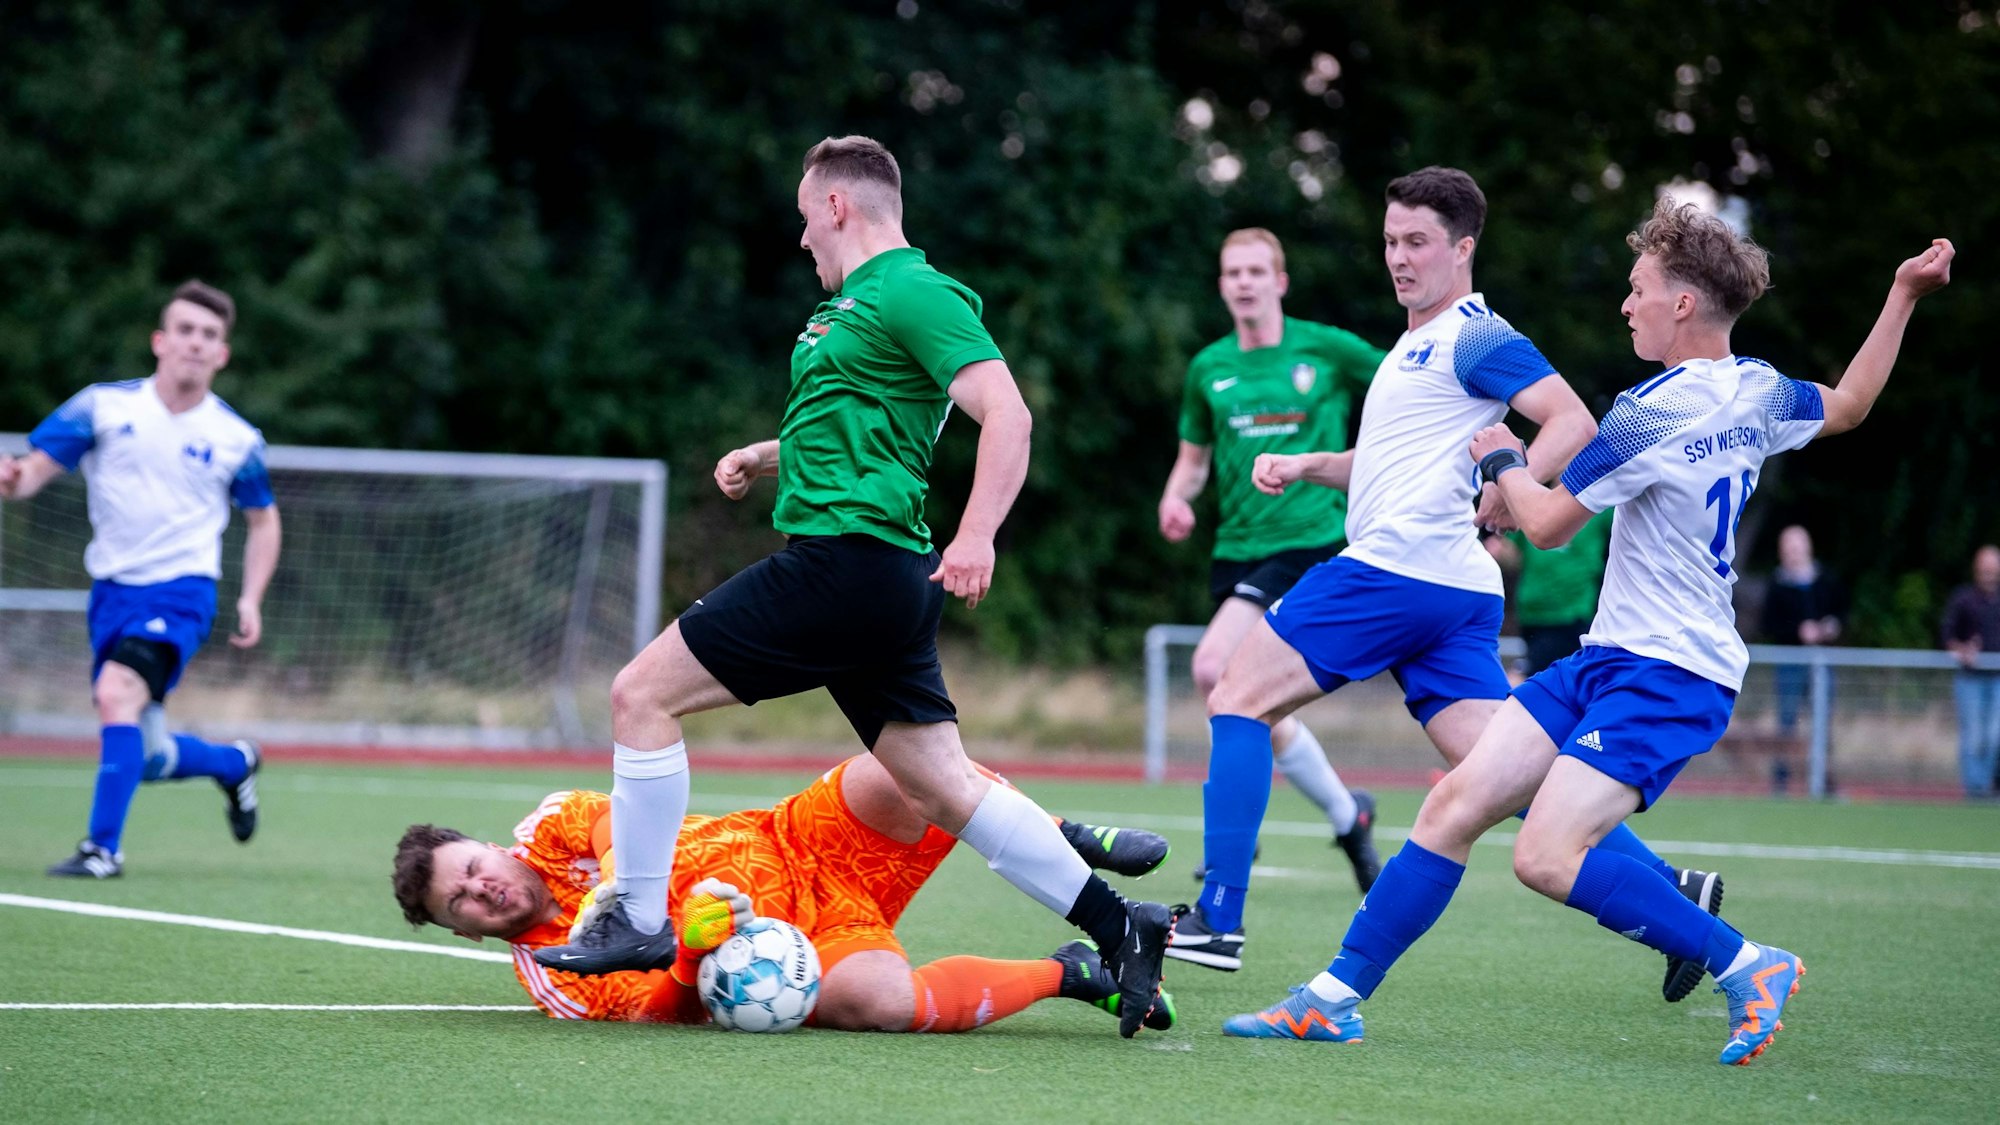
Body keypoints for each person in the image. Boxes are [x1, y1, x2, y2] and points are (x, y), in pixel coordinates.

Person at [1224, 202, 1953, 1067]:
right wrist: (1902, 294)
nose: (1626, 305)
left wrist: (1497, 457)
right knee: (1455, 802)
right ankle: (1333, 999)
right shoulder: (1759, 388)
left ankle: (1748, 961)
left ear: (1683, 303)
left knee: (1543, 854)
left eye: (1639, 289)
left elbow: (1546, 525)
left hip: (1671, 672)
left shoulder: (1644, 415)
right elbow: (1855, 401)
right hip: (1604, 660)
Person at [530, 136, 1172, 1036]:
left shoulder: (913, 288)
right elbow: (859, 427)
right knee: (944, 787)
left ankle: (637, 917)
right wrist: (766, 455)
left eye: (804, 219)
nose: (801, 241)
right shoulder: (857, 309)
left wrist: (979, 531)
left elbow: (1009, 414)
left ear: (837, 206)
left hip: (846, 566)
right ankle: (1121, 924)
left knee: (640, 695)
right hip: (876, 578)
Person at [1176, 166, 1712, 980]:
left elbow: (1573, 418)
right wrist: (1309, 462)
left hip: (1398, 571)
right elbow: (1392, 466)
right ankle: (1674, 892)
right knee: (1505, 769)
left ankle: (1217, 918)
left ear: (1462, 249)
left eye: (1417, 241)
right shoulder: (1415, 344)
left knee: (1236, 694)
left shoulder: (1475, 333)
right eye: (1391, 240)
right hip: (1453, 589)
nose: (1398, 256)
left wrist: (1516, 480)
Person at [392, 754, 1177, 1032]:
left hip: (799, 834)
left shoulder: (549, 826)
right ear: (463, 933)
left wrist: (625, 902)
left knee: (894, 758)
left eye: (469, 868)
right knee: (887, 1004)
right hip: (798, 939)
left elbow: (608, 817)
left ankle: (1064, 833)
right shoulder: (549, 975)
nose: (480, 889)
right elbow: (652, 1013)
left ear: (488, 847)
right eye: (457, 901)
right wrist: (690, 950)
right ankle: (1073, 970)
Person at [0, 281, 277, 879]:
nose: (196, 344)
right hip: (111, 595)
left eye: (210, 336)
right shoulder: (102, 407)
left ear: (222, 354)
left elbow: (263, 521)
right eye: (185, 330)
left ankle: (103, 850)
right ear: (160, 340)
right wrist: (11, 478)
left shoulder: (237, 439)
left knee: (115, 693)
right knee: (147, 754)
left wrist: (251, 597)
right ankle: (234, 764)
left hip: (182, 593)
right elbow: (28, 478)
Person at [1159, 228, 1386, 895]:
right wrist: (1176, 499)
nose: (1246, 282)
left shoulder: (1329, 349)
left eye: (1258, 270)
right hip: (1237, 552)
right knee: (1257, 705)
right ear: (1223, 284)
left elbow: (1408, 395)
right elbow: (1192, 463)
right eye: (1233, 272)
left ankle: (1235, 833)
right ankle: (1350, 816)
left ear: (1280, 280)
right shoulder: (1209, 368)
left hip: (1310, 540)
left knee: (1211, 667)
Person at [1759, 525, 1846, 792]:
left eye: (1797, 547)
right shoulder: (1777, 584)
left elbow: (1841, 611)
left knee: (1822, 722)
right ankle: (1781, 781)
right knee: (1787, 722)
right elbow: (1768, 623)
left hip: (1821, 661)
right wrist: (1797, 630)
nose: (1793, 553)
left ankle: (1823, 782)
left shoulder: (1826, 578)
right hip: (1790, 662)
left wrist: (1830, 626)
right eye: (1788, 549)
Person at [1485, 508, 1614, 676]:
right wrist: (1497, 552)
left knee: (1524, 678)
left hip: (1571, 615)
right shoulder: (1534, 503)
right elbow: (1514, 555)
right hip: (1531, 614)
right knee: (1553, 680)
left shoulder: (1598, 504)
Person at [1943, 544, 2000, 799]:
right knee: (1974, 735)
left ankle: (1985, 786)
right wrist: (1962, 649)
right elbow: (1946, 635)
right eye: (1984, 568)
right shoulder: (1963, 598)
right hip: (1970, 678)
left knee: (1994, 735)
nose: (1988, 573)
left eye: (1993, 568)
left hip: (1998, 678)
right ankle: (1974, 790)